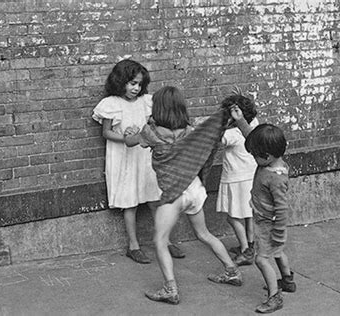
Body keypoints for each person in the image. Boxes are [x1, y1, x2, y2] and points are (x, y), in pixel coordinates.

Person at [125, 86, 254, 305]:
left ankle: (170, 289)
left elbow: (130, 142)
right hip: (194, 189)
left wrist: (130, 133)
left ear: (159, 108)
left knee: (160, 240)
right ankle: (231, 271)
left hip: (174, 194)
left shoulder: (151, 132)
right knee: (204, 234)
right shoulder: (188, 130)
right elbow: (207, 136)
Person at [92, 60, 184, 264]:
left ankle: (165, 240)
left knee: (155, 199)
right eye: (132, 83)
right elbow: (106, 132)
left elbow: (153, 123)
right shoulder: (111, 104)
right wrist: (126, 137)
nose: (136, 88)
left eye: (139, 84)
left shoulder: (146, 102)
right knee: (130, 202)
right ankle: (133, 246)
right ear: (120, 81)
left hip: (145, 155)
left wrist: (146, 132)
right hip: (125, 157)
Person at [244, 123, 297, 314]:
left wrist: (278, 233)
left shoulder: (275, 178)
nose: (253, 157)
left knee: (261, 259)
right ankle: (287, 281)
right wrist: (241, 120)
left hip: (267, 223)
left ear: (266, 155)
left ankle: (275, 297)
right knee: (278, 251)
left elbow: (282, 208)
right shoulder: (273, 162)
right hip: (268, 221)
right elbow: (253, 139)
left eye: (254, 155)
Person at [216, 93, 259, 266]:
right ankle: (251, 245)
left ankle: (244, 250)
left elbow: (217, 140)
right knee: (248, 215)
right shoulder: (254, 124)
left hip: (236, 179)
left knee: (233, 217)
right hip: (251, 175)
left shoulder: (231, 134)